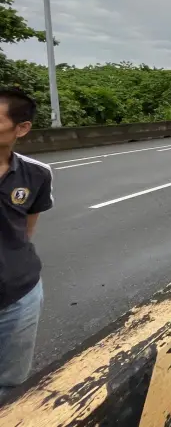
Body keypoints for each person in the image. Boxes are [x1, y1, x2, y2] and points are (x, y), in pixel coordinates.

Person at [0, 88, 53, 399]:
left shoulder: (36, 174)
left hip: (19, 297)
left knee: (8, 383)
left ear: (21, 128)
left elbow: (24, 231)